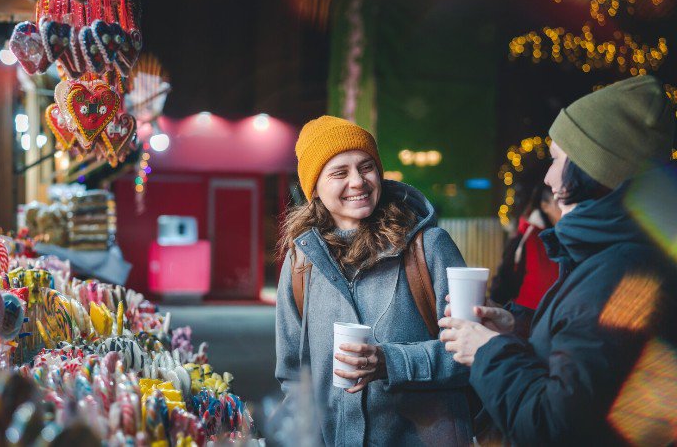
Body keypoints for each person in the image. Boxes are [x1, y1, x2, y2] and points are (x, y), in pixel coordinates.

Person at [439, 75, 677, 445]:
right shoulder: (610, 256)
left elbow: (555, 425)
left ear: (594, 168)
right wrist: (515, 330)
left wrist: (487, 352)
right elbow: (581, 359)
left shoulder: (623, 273)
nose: (548, 178)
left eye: (556, 160)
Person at [275, 115, 472, 446]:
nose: (358, 181)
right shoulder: (300, 263)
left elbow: (472, 356)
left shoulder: (428, 248)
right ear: (315, 189)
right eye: (340, 172)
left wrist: (390, 362)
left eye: (366, 167)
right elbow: (294, 376)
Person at [489, 184, 561, 309]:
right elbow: (504, 279)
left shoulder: (564, 237)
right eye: (559, 201)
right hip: (527, 320)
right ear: (544, 206)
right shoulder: (527, 237)